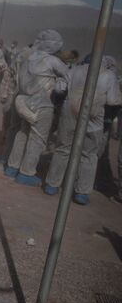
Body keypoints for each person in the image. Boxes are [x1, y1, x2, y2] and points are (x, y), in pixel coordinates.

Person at [44, 56, 122, 204]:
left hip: (70, 112)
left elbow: (59, 89)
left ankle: (52, 185)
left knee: (63, 149)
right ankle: (82, 192)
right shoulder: (109, 75)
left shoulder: (74, 70)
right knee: (89, 155)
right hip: (94, 116)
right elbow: (113, 100)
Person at [5, 29, 68, 185]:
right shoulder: (52, 61)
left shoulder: (29, 57)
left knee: (22, 133)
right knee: (38, 138)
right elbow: (68, 78)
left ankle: (12, 167)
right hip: (42, 103)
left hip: (24, 101)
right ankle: (26, 173)